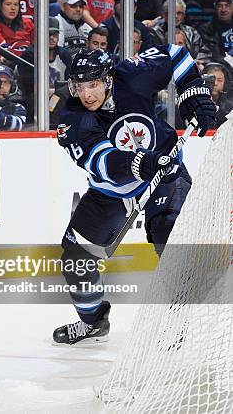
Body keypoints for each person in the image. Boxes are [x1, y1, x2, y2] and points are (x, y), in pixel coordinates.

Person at [52, 46, 216, 345]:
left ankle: (176, 321)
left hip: (166, 175)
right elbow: (104, 163)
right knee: (75, 260)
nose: (86, 94)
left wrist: (193, 92)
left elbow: (175, 53)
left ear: (108, 79)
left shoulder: (133, 75)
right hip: (112, 191)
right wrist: (141, 162)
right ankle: (92, 321)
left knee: (168, 232)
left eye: (93, 84)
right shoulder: (71, 118)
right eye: (79, 86)